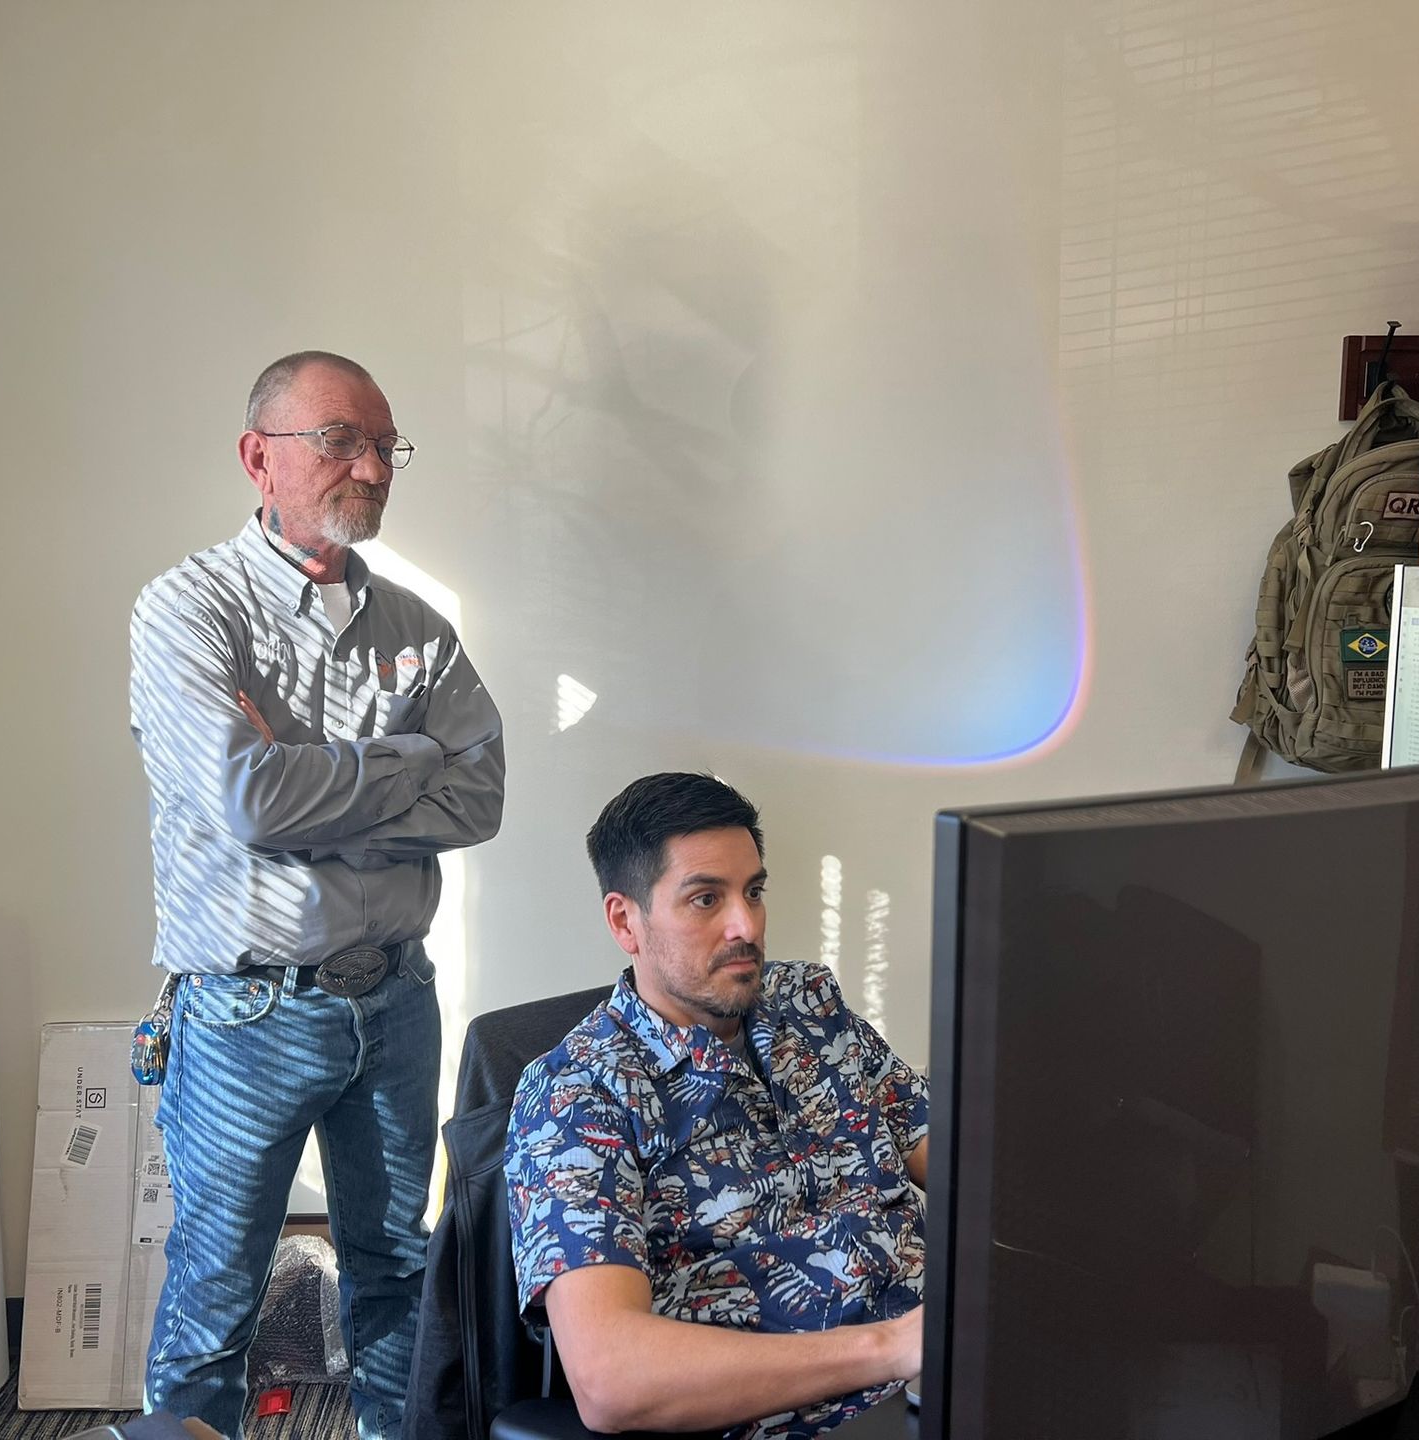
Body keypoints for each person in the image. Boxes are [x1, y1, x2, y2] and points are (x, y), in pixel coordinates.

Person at [129, 350, 505, 1440]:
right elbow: (249, 800)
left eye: (387, 445)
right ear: (260, 457)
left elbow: (478, 799)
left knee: (395, 1271)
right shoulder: (187, 612)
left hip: (394, 1001)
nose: (374, 465)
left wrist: (307, 767)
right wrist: (400, 764)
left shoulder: (420, 632)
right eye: (342, 439)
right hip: (248, 1011)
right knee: (216, 1292)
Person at [504, 773, 926, 1439]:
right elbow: (610, 1380)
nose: (746, 925)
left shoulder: (808, 1005)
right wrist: (895, 1347)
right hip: (808, 1420)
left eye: (753, 892)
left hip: (945, 1372)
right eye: (706, 899)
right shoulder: (578, 1096)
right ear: (625, 921)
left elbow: (960, 1160)